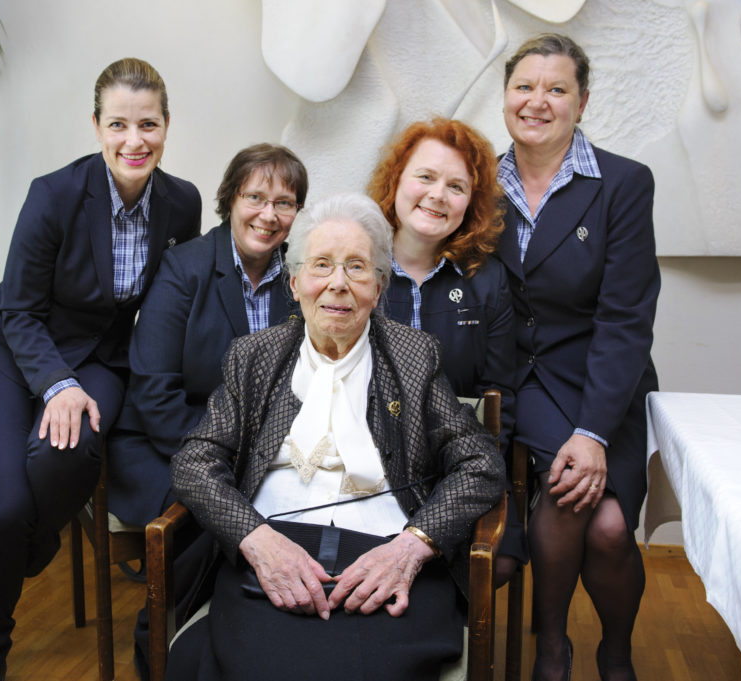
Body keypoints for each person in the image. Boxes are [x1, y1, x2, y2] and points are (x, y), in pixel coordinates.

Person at [166, 193, 505, 681]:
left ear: (379, 287)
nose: (338, 284)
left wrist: (412, 547)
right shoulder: (254, 357)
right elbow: (194, 462)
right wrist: (254, 539)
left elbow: (480, 464)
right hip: (273, 554)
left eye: (357, 267)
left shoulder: (414, 356)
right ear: (295, 282)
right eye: (321, 264)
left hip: (385, 554)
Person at [0, 58, 201, 681]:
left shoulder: (182, 204)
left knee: (70, 450)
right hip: (8, 353)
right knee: (4, 505)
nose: (134, 140)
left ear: (167, 126)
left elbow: (172, 302)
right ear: (96, 127)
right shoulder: (55, 195)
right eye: (118, 124)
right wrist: (57, 384)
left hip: (102, 359)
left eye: (148, 124)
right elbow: (19, 310)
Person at [494, 34, 660, 681]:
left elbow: (626, 319)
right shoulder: (479, 181)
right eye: (524, 86)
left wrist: (593, 431)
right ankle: (552, 649)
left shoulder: (623, 183)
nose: (537, 101)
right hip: (527, 378)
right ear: (506, 97)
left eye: (556, 89)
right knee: (569, 497)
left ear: (582, 102)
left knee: (612, 527)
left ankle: (615, 650)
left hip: (605, 379)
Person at [107, 143, 307, 675]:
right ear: (230, 199)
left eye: (284, 203)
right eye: (255, 197)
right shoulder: (185, 268)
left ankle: (248, 642)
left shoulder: (299, 279)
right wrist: (225, 460)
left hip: (253, 449)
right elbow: (154, 392)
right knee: (212, 508)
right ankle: (160, 644)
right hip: (161, 443)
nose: (268, 214)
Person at [367, 118, 521, 582]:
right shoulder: (357, 267)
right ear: (397, 181)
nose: (438, 195)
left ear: (470, 203)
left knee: (498, 563)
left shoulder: (488, 281)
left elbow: (499, 399)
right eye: (426, 177)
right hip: (367, 468)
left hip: (458, 468)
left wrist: (464, 478)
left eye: (456, 186)